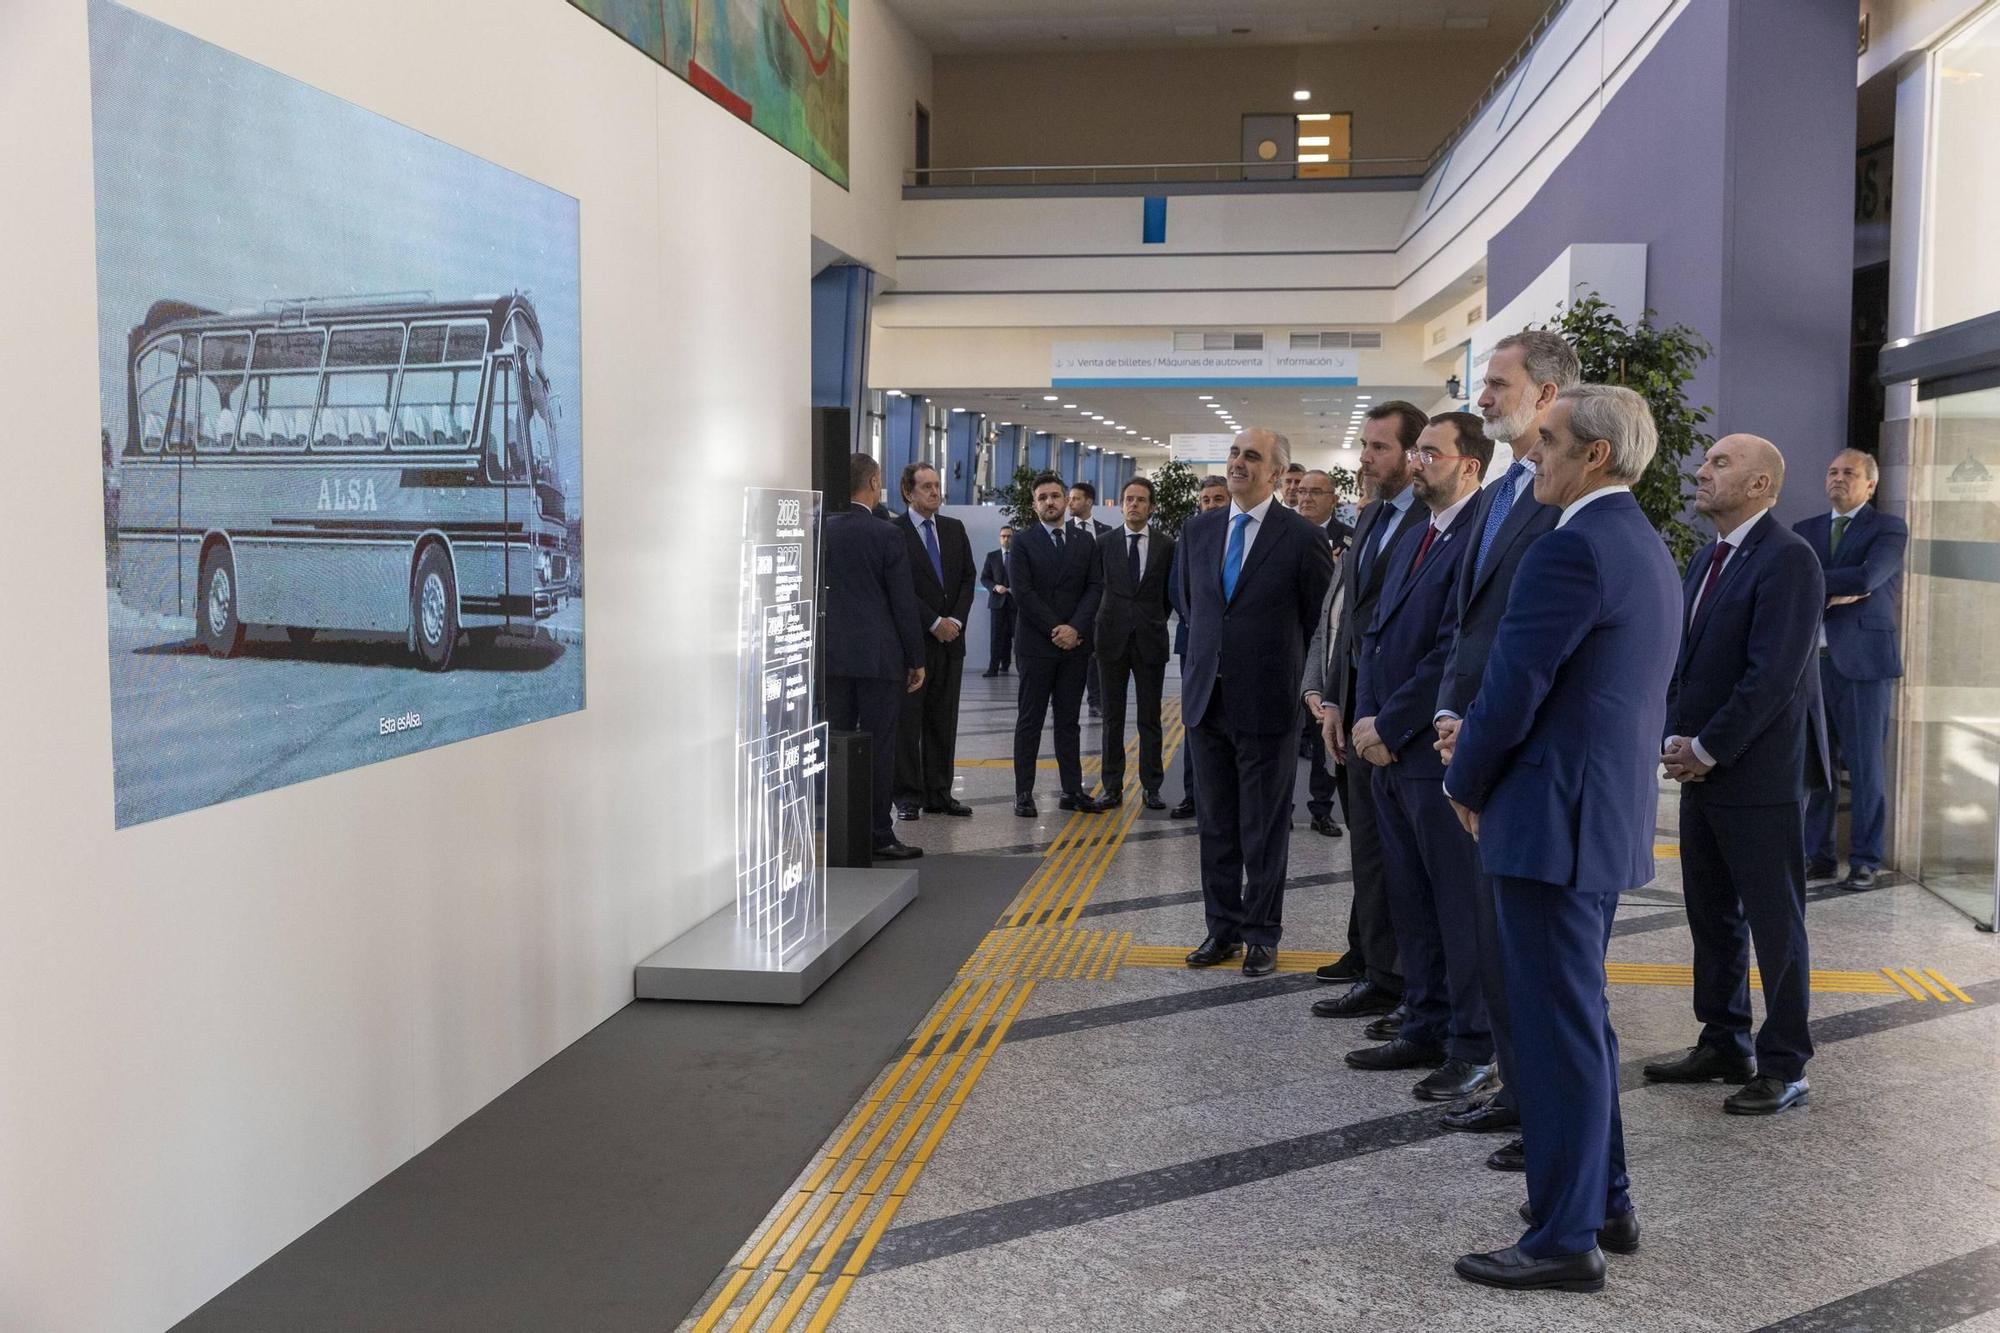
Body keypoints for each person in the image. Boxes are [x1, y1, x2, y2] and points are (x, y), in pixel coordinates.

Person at [1442, 384, 1681, 1294]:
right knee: (1578, 1021)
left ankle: (1564, 1236)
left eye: (1545, 441)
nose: (1528, 454)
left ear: (1596, 456)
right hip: (1591, 814)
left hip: (1550, 823)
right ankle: (1603, 1199)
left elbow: (1515, 686)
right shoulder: (1640, 543)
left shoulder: (1571, 548)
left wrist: (1466, 782)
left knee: (1553, 1030)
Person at [1431, 328, 1579, 1161]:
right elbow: (1470, 625)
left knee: (1539, 963)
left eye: (1495, 383)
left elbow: (1540, 650)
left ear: (1548, 395)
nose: (1481, 397)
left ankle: (1543, 1108)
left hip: (1521, 757)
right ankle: (1516, 1088)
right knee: (1497, 945)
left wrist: (1480, 732)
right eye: (1483, 384)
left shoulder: (1566, 500)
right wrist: (1453, 715)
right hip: (1477, 740)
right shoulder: (1496, 494)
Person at [1650, 435, 1828, 1117]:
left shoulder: (1790, 559)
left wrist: (1708, 746)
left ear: (1760, 485)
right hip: (1706, 770)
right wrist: (1676, 735)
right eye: (1707, 461)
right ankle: (1723, 1039)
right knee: (1712, 915)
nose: (1702, 470)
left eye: (1721, 463)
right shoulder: (1707, 557)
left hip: (1762, 775)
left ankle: (1785, 1063)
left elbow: (1772, 677)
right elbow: (1689, 662)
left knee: (1776, 923)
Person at [1346, 414, 1495, 1104]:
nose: (1417, 461)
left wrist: (1392, 722)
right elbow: (1374, 632)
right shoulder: (1415, 529)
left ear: (1470, 465)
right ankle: (1426, 1019)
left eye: (1431, 451)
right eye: (1417, 450)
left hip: (1428, 749)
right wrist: (1368, 719)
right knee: (1411, 898)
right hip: (1389, 751)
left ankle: (1472, 1042)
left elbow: (1451, 650)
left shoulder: (1477, 535)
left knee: (1457, 906)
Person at [1179, 429, 1335, 977]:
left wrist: (1315, 691)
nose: (1239, 463)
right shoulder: (1197, 531)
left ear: (1275, 474)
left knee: (1263, 827)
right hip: (1206, 701)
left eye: (1252, 457)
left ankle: (1262, 933)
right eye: (1234, 454)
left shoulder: (1300, 536)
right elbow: (1193, 605)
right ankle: (1220, 928)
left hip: (1268, 702)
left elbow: (1320, 624)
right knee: (1215, 824)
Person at [1306, 401, 1429, 1019]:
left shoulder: (1431, 525)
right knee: (1371, 853)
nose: (1365, 458)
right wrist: (1331, 698)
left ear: (1414, 455)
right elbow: (1346, 625)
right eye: (1365, 446)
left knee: (1403, 861)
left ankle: (1404, 983)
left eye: (1379, 447)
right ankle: (1381, 972)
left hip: (1399, 722)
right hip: (1353, 714)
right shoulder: (1375, 517)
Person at [1796, 449, 1906, 893]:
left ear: (1870, 484)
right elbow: (1793, 582)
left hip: (1863, 666)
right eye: (1832, 472)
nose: (1838, 479)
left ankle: (1865, 860)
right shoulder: (1804, 530)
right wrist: (1837, 587)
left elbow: (1867, 578)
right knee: (1816, 769)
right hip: (1813, 666)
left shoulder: (1888, 528)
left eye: (1849, 473)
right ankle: (1818, 857)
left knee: (1865, 770)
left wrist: (1827, 584)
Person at [823, 454, 926, 862]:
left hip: (831, 658)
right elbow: (902, 602)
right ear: (873, 482)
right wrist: (916, 658)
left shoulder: (819, 529)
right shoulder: (885, 535)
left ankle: (839, 831)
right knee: (880, 746)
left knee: (836, 744)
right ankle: (879, 833)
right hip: (879, 659)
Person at [1012, 473, 1108, 818]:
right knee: (1030, 720)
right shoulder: (1023, 542)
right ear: (1034, 504)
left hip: (1075, 646)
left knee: (1069, 721)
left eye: (1055, 496)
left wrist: (1075, 629)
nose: (1049, 502)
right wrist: (1057, 628)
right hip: (1037, 645)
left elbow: (1095, 588)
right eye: (1042, 497)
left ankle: (1072, 790)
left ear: (1067, 501)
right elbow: (1023, 593)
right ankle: (1024, 792)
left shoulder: (1085, 542)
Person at [893, 463, 977, 821]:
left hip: (951, 642)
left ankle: (939, 792)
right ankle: (908, 796)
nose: (934, 492)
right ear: (908, 493)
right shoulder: (893, 532)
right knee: (910, 724)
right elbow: (899, 588)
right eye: (926, 486)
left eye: (937, 485)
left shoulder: (953, 529)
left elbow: (967, 578)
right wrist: (932, 622)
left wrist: (954, 620)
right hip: (915, 643)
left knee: (944, 720)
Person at [1095, 477, 1175, 810]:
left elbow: (1169, 594)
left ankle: (1151, 786)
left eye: (1141, 500)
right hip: (1111, 639)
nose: (1134, 505)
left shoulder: (1166, 545)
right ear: (1121, 503)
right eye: (1129, 499)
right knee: (1112, 718)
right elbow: (1095, 588)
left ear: (1151, 506)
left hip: (1149, 638)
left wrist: (1153, 618)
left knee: (1150, 717)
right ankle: (1111, 786)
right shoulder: (1103, 543)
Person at [1293, 469, 1352, 838]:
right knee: (1284, 733)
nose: (1306, 498)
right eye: (1301, 491)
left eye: (1316, 492)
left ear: (1334, 499)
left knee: (1322, 736)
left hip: (1326, 649)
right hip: (1288, 645)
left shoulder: (1349, 540)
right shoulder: (1283, 533)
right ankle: (1281, 805)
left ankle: (1321, 808)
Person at [1169, 475, 1230, 820]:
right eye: (1205, 500)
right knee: (1196, 720)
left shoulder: (1236, 536)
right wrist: (1202, 623)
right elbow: (1178, 588)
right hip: (1195, 643)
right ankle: (1193, 794)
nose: (1210, 505)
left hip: (1235, 650)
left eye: (1217, 499)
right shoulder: (1191, 534)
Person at [1068, 482, 1115, 717]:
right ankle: (1066, 701)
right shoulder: (1062, 529)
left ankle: (1096, 700)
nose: (1070, 503)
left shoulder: (1106, 531)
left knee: (1097, 655)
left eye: (1076, 498)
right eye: (1070, 498)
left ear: (1088, 501)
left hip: (1100, 605)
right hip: (1072, 606)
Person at [980, 526, 1016, 677]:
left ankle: (1018, 668)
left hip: (1016, 603)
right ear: (999, 538)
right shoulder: (992, 556)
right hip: (997, 603)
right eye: (1003, 536)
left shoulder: (1019, 555)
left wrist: (1018, 589)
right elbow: (984, 578)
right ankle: (993, 668)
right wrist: (995, 587)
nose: (1006, 539)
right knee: (996, 637)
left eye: (1009, 536)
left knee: (1017, 636)